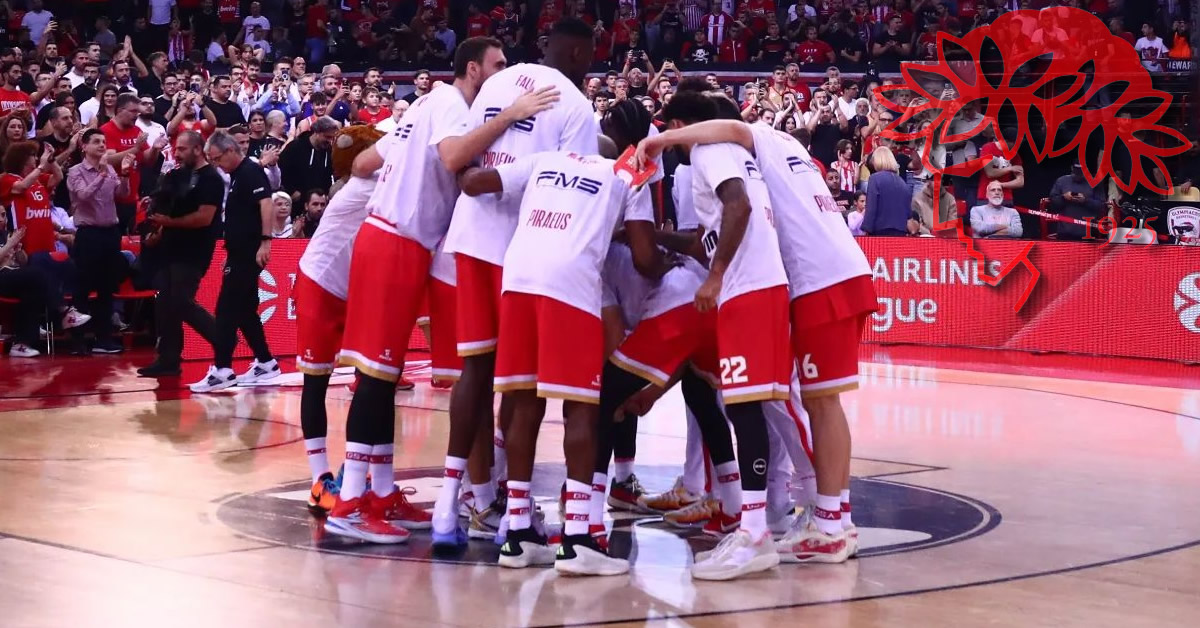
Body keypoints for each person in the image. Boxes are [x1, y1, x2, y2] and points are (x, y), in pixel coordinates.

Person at [323, 37, 559, 545]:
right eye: (497, 65)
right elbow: (453, 157)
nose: (504, 74)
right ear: (472, 68)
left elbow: (363, 164)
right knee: (375, 378)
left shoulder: (425, 104)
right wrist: (511, 114)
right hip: (396, 240)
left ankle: (380, 491)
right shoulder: (452, 103)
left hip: (398, 240)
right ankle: (350, 503)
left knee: (384, 376)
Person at [639, 92, 873, 570]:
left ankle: (823, 525)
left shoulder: (745, 140)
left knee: (815, 404)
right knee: (819, 402)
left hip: (817, 277)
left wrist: (659, 140)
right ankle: (833, 518)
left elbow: (729, 135)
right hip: (836, 268)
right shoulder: (788, 147)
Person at [455, 113, 663, 577]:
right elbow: (645, 258)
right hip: (571, 286)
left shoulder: (545, 161)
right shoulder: (626, 175)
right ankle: (578, 539)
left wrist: (462, 154)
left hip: (518, 279)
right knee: (581, 408)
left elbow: (472, 183)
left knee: (522, 403)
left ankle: (518, 533)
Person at [430, 19, 599, 557]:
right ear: (580, 53)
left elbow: (468, 161)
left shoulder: (500, 81)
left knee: (474, 371)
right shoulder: (577, 106)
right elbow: (569, 189)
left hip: (468, 234)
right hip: (522, 246)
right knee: (521, 385)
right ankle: (513, 514)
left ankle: (455, 501)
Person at [188, 131, 278, 392]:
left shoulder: (250, 171)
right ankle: (266, 362)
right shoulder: (239, 174)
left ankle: (223, 369)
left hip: (249, 251)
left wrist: (265, 241)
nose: (216, 164)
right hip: (239, 250)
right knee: (245, 311)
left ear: (230, 151)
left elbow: (266, 204)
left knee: (226, 310)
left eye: (217, 158)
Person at [137, 131, 223, 377]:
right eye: (176, 149)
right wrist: (158, 230)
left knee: (181, 302)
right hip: (169, 248)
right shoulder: (176, 175)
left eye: (182, 149)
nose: (177, 154)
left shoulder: (211, 179)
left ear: (197, 149)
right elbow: (167, 209)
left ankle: (223, 338)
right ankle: (168, 359)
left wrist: (169, 223)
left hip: (194, 251)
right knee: (164, 304)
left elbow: (204, 218)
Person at [66, 130, 133, 354]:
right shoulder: (75, 171)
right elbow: (83, 195)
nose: (102, 145)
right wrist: (102, 174)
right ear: (84, 146)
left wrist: (125, 174)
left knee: (107, 287)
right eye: (96, 141)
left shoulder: (110, 169)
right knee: (83, 287)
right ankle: (78, 341)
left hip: (110, 233)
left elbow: (123, 194)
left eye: (104, 141)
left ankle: (104, 339)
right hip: (88, 234)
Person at [278, 116, 336, 200]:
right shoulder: (296, 147)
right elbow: (281, 169)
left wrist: (326, 194)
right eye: (327, 137)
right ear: (316, 132)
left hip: (318, 202)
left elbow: (328, 175)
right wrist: (291, 191)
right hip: (298, 200)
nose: (330, 141)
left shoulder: (328, 150)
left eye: (332, 137)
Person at [861, 147, 914, 236]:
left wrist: (866, 229)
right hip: (900, 231)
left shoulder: (875, 178)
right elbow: (908, 212)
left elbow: (871, 207)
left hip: (880, 231)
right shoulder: (902, 182)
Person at [1048, 161, 1107, 240]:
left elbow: (1101, 206)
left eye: (1081, 172)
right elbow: (1053, 203)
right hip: (1065, 232)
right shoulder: (1061, 181)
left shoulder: (1095, 183)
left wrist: (1085, 201)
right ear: (1072, 168)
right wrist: (1064, 197)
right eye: (1076, 172)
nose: (1078, 175)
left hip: (1088, 233)